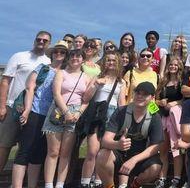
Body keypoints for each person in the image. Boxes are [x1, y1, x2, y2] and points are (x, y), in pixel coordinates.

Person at [11, 40, 67, 188]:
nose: (59, 54)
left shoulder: (66, 72)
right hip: (36, 111)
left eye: (62, 52)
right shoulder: (42, 67)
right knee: (25, 149)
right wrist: (27, 109)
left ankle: (32, 185)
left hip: (53, 116)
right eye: (56, 51)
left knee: (38, 152)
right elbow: (30, 87)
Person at [0, 30, 52, 172]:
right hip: (13, 106)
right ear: (34, 40)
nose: (41, 42)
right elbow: (5, 81)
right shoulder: (19, 56)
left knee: (26, 146)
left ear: (49, 44)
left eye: (45, 40)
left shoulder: (49, 62)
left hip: (35, 109)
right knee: (4, 145)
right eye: (39, 39)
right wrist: (2, 106)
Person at [95, 82, 163, 188]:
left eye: (145, 94)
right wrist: (117, 144)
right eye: (137, 93)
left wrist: (134, 159)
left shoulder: (155, 116)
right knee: (102, 155)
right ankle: (109, 186)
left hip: (139, 157)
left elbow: (156, 146)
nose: (140, 96)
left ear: (152, 97)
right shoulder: (121, 111)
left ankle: (134, 185)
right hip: (119, 155)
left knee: (155, 168)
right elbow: (105, 140)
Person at [42, 49, 90, 188]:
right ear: (68, 58)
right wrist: (66, 112)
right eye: (72, 55)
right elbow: (56, 94)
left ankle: (60, 184)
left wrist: (78, 113)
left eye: (78, 56)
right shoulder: (61, 73)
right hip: (58, 110)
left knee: (65, 152)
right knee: (53, 151)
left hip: (76, 112)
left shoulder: (85, 77)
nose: (75, 58)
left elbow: (86, 100)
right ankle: (49, 184)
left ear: (83, 59)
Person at [80, 52, 126, 188]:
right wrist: (96, 85)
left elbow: (121, 102)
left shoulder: (121, 82)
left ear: (118, 63)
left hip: (112, 115)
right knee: (92, 151)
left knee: (103, 151)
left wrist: (123, 121)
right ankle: (85, 181)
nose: (111, 63)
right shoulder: (97, 77)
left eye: (113, 60)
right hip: (96, 114)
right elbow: (86, 98)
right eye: (108, 60)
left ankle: (98, 181)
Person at [154, 56, 184, 188]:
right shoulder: (162, 82)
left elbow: (186, 100)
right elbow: (152, 102)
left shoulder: (182, 82)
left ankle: (176, 178)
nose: (173, 67)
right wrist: (159, 103)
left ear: (179, 67)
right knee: (163, 149)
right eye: (171, 65)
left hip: (175, 119)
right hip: (162, 118)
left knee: (176, 148)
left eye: (176, 65)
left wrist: (175, 103)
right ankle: (162, 178)